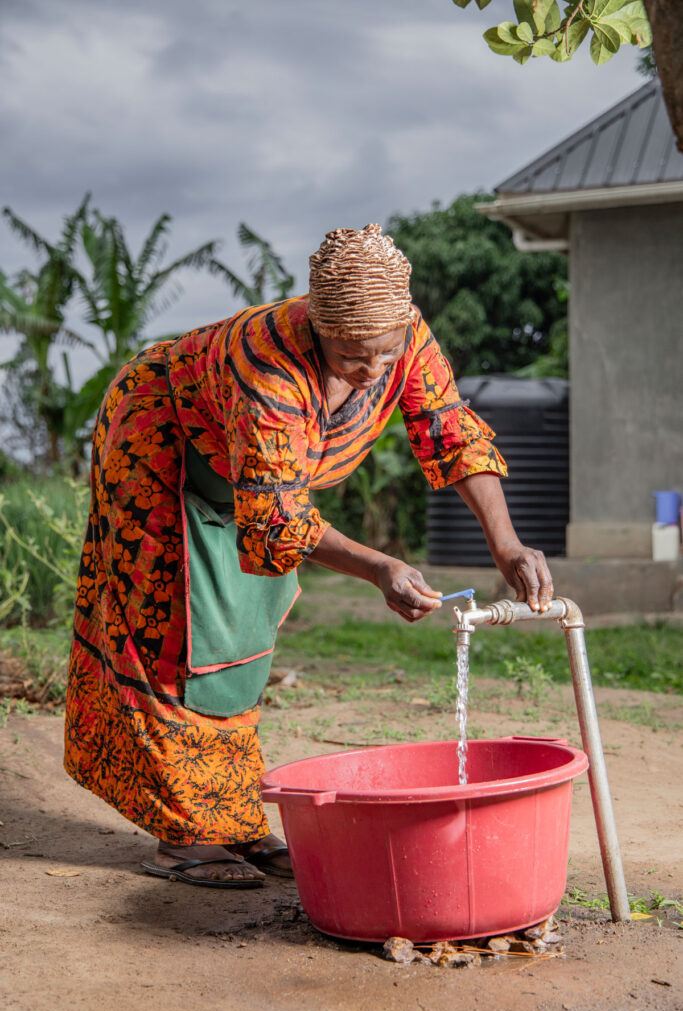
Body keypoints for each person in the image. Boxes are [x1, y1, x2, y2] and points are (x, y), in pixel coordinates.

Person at [64, 224, 553, 888]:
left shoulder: (400, 332)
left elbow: (447, 428)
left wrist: (505, 542)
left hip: (250, 481)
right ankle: (182, 836)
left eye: (385, 352)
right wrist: (379, 567)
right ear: (316, 328)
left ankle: (229, 822)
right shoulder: (265, 368)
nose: (374, 370)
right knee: (175, 633)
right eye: (354, 355)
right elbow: (277, 514)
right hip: (159, 448)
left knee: (239, 635)